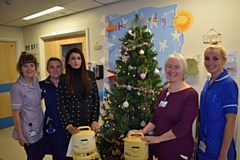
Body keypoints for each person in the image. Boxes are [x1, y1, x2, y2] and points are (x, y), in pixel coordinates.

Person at [128, 53, 199, 160]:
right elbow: (156, 118)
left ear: (183, 70)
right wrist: (141, 132)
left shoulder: (190, 95)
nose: (172, 70)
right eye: (169, 66)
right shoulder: (163, 93)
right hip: (160, 149)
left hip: (178, 150)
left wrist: (159, 138)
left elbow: (183, 127)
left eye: (177, 67)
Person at [197, 41, 238, 160]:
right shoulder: (208, 83)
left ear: (224, 60)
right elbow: (204, 116)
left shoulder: (228, 84)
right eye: (207, 58)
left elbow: (231, 121)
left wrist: (223, 153)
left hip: (219, 149)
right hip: (204, 146)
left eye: (215, 58)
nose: (210, 63)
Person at [57, 47, 100, 138]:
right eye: (73, 58)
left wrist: (95, 120)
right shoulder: (64, 79)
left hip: (89, 123)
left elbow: (95, 99)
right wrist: (68, 125)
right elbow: (61, 103)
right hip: (73, 125)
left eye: (79, 58)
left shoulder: (90, 76)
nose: (76, 61)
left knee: (90, 150)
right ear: (68, 61)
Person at [10, 52, 44, 160]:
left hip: (39, 123)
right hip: (28, 128)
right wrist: (20, 136)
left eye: (32, 65)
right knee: (34, 156)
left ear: (36, 67)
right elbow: (15, 114)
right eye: (25, 66)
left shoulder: (36, 80)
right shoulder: (18, 88)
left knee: (40, 154)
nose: (29, 69)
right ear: (20, 68)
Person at [39, 57, 69, 160]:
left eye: (58, 67)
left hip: (69, 125)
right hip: (52, 125)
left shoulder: (68, 83)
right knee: (57, 155)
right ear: (47, 69)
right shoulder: (42, 85)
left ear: (62, 68)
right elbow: (32, 102)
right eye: (52, 67)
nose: (55, 69)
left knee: (70, 154)